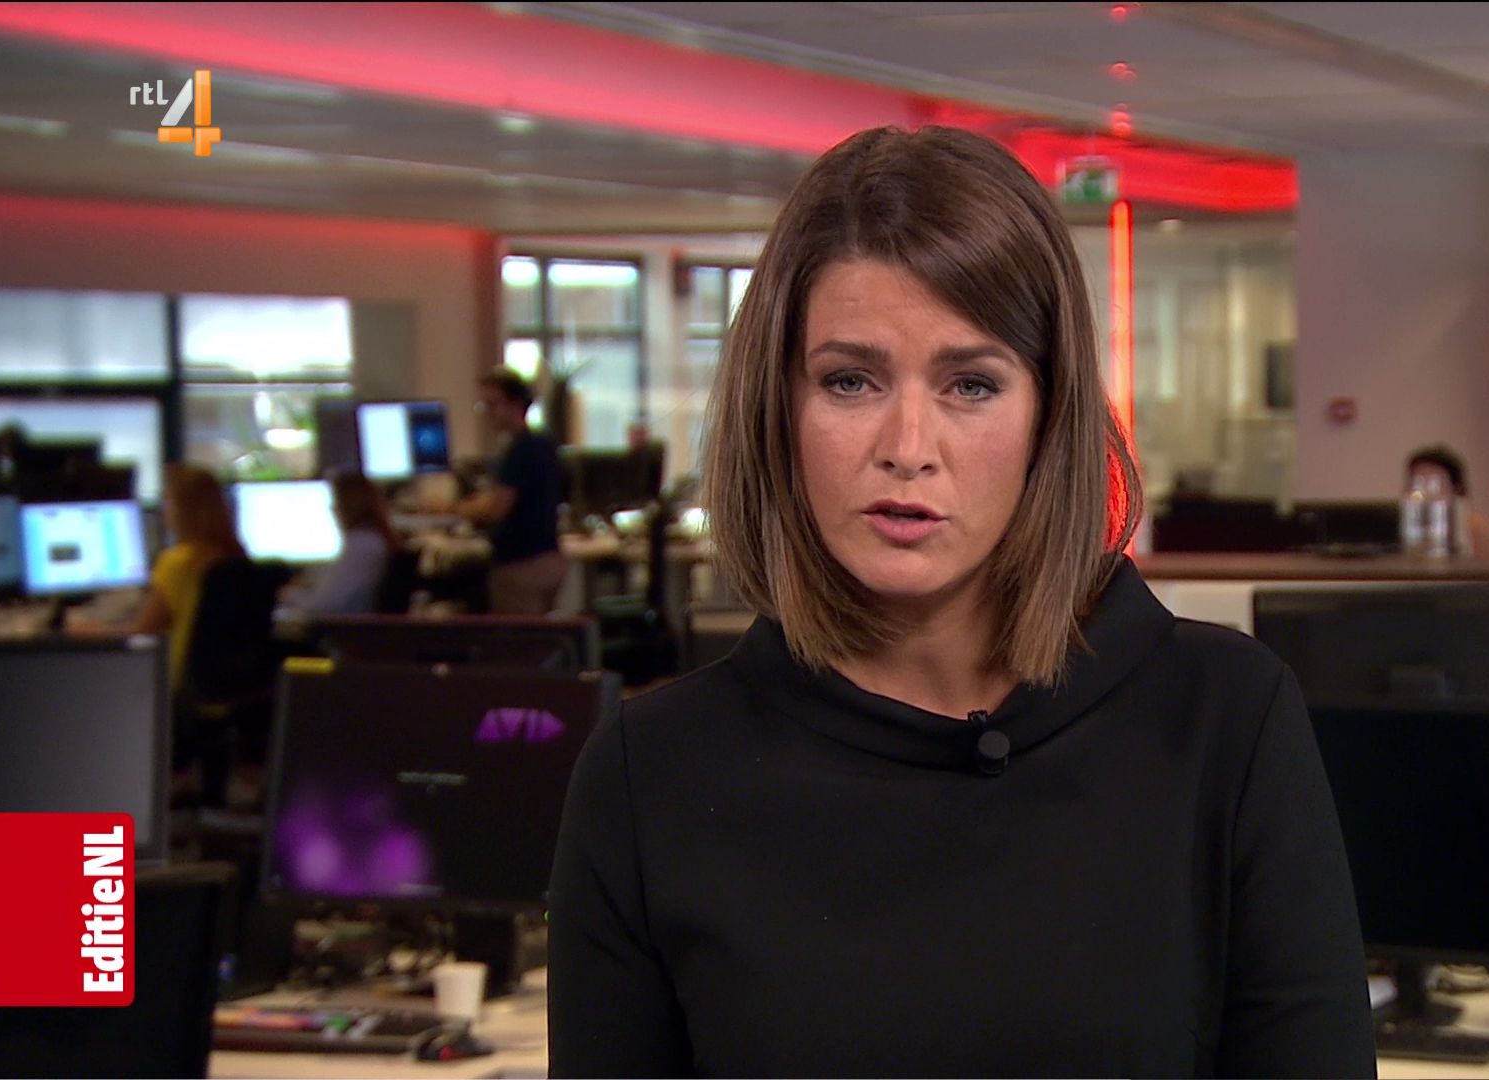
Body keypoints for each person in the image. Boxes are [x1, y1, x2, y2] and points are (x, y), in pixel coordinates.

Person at [548, 126, 1375, 1077]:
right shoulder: (650, 772)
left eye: (971, 385)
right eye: (849, 381)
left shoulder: (1224, 719)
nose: (908, 447)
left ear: (1049, 418)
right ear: (779, 409)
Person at [73, 463, 244, 697]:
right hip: (230, 690)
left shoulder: (178, 563)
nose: (164, 510)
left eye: (168, 501)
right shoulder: (234, 556)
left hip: (178, 690)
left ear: (184, 510)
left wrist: (94, 631)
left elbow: (140, 633)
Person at [457, 367, 565, 614]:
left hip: (521, 565)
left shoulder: (520, 451)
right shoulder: (544, 443)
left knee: (517, 636)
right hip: (549, 558)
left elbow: (497, 510)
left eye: (493, 405)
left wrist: (455, 510)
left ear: (515, 404)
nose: (487, 413)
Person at [281, 469, 398, 618]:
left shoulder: (361, 546)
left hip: (342, 627)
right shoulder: (371, 540)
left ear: (347, 505)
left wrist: (287, 594)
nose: (333, 510)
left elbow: (323, 606)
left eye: (335, 504)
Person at [1405, 443, 1489, 557]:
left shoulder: (1475, 528)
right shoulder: (1404, 528)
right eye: (1417, 484)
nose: (1425, 494)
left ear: (1456, 489)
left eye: (1434, 485)